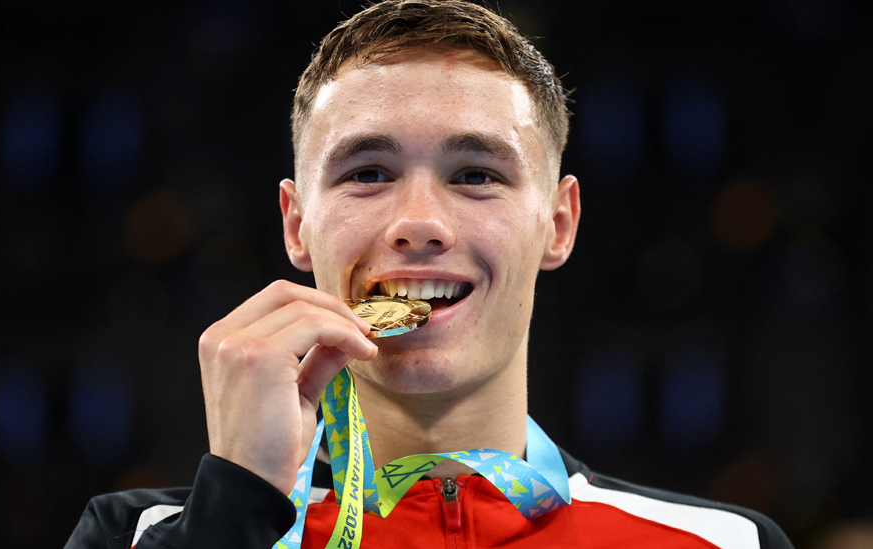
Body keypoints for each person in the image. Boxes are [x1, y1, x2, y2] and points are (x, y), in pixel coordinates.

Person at [66, 1, 792, 547]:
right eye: (369, 172)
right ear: (296, 223)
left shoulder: (724, 543)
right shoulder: (139, 535)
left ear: (559, 224)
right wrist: (236, 508)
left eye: (475, 174)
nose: (419, 220)